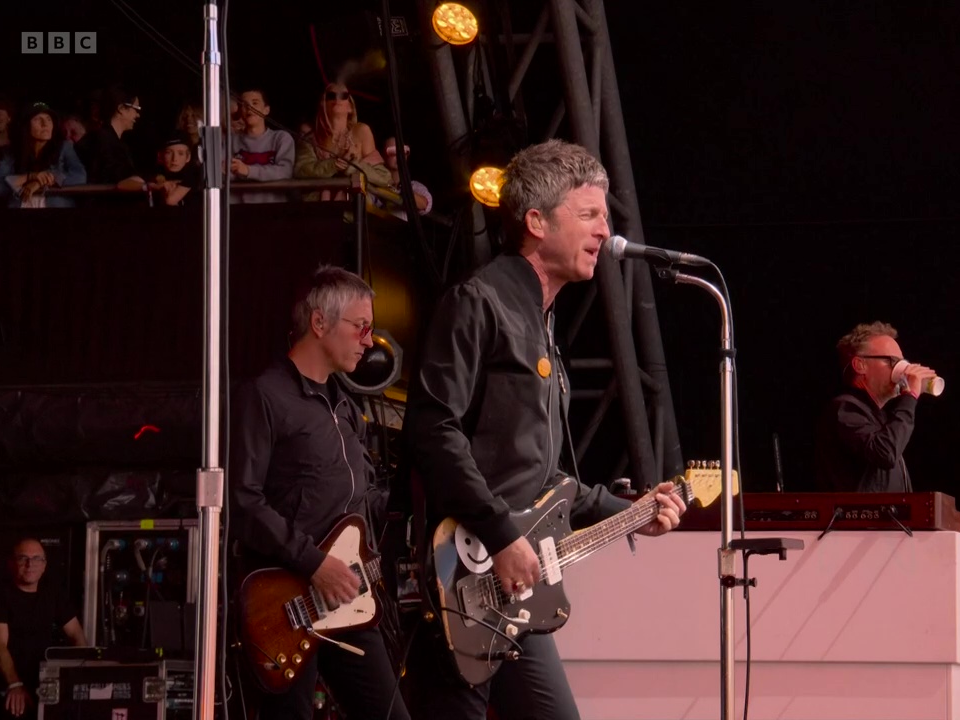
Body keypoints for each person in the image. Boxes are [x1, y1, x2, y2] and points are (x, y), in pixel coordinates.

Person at [403, 139, 687, 720]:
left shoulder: (542, 323)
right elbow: (434, 429)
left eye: (604, 217)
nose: (604, 231)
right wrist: (503, 534)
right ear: (536, 221)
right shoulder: (477, 302)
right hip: (463, 574)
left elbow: (544, 479)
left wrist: (632, 509)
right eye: (589, 215)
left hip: (511, 585)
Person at [229, 266, 409, 720]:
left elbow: (361, 504)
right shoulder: (264, 396)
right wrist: (313, 562)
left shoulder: (345, 406)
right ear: (319, 323)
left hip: (347, 598)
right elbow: (244, 501)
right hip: (286, 605)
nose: (368, 341)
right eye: (361, 326)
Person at [813, 321, 938, 493]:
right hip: (860, 520)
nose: (903, 370)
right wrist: (910, 396)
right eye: (893, 361)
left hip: (888, 520)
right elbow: (885, 452)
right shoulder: (845, 408)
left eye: (903, 362)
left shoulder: (881, 418)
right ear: (860, 365)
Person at [0, 538, 86, 720]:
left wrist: (80, 679)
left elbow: (77, 636)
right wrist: (14, 684)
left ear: (44, 565)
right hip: (8, 683)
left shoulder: (52, 594)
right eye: (23, 558)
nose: (30, 565)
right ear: (12, 563)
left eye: (37, 559)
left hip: (44, 683)